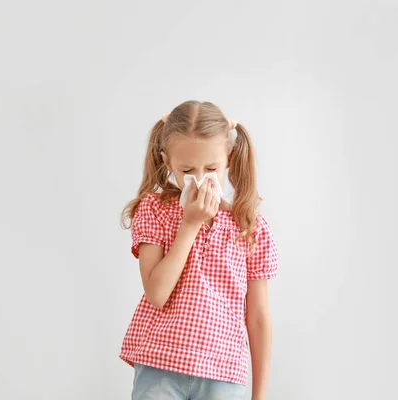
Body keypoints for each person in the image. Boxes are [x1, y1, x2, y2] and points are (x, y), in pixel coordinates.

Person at [119, 100, 279, 400]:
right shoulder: (154, 210)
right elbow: (157, 293)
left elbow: (257, 315)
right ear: (167, 163)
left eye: (212, 168)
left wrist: (259, 396)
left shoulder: (251, 228)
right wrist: (189, 225)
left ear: (229, 158)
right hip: (160, 363)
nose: (202, 178)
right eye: (188, 169)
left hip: (223, 373)